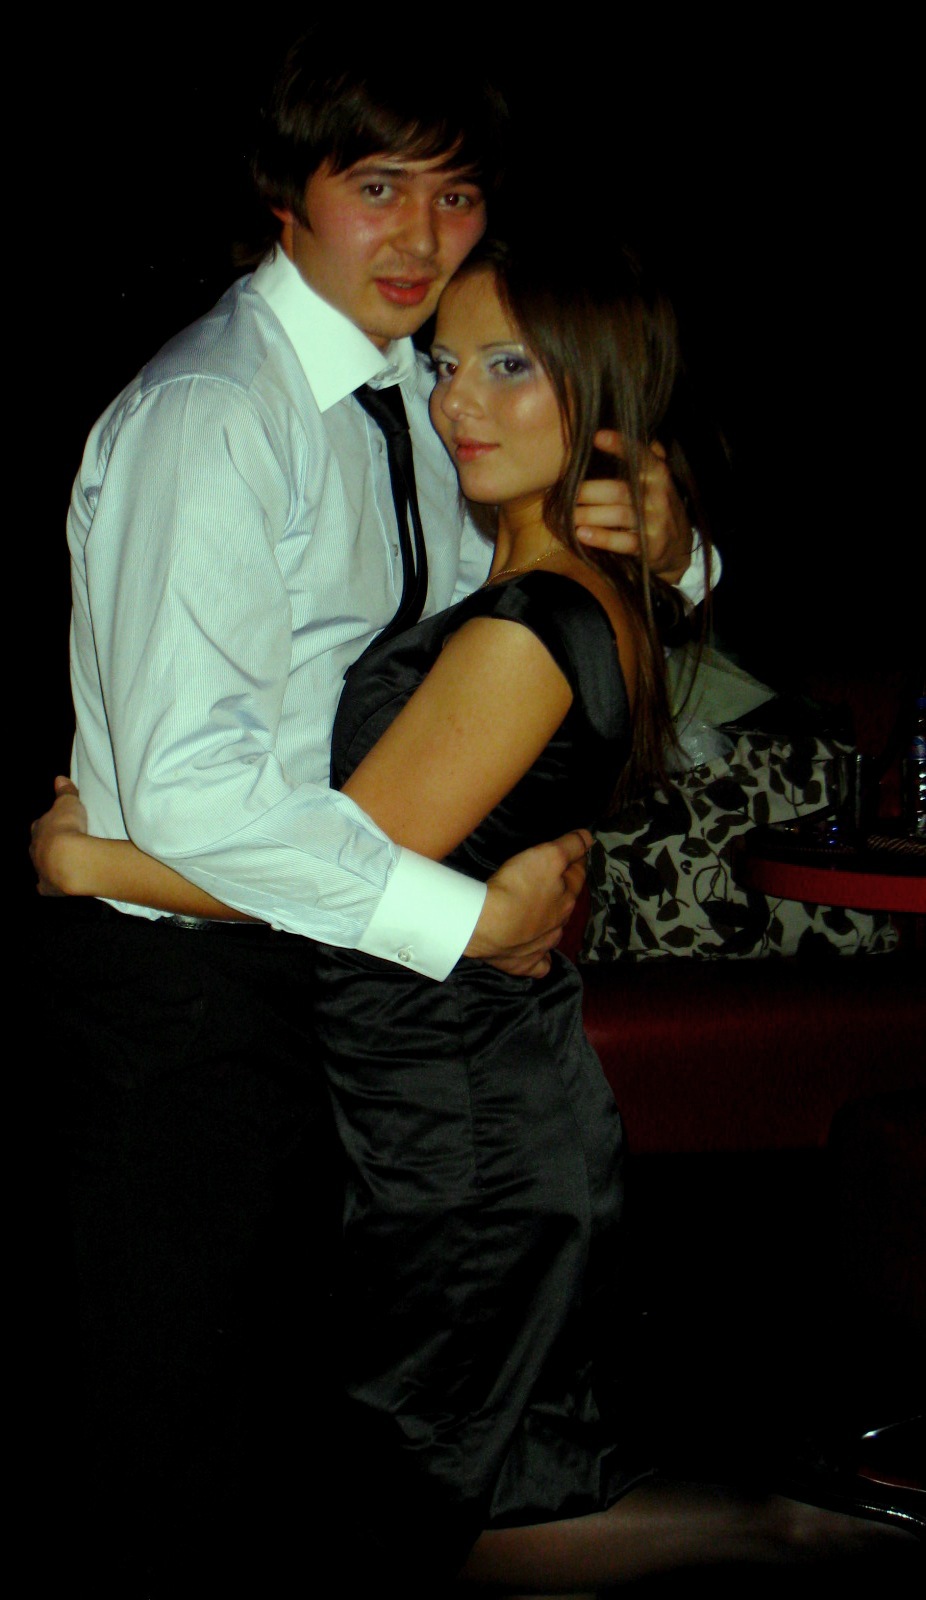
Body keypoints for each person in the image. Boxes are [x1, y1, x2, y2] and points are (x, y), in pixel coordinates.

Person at [35, 245, 921, 1593]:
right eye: (448, 364)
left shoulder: (525, 626)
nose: (457, 401)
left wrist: (92, 863)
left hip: (460, 1134)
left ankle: (833, 1527)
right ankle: (820, 1520)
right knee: (488, 1495)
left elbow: (347, 858)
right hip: (464, 1103)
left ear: (604, 392)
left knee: (440, 1522)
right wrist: (680, 553)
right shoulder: (548, 581)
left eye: (511, 367)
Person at [35, 28, 706, 1596]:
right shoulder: (215, 414)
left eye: (454, 194)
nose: (420, 236)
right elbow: (200, 795)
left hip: (348, 1008)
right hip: (185, 1013)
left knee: (314, 1465)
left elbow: (535, 592)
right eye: (378, 186)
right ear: (286, 194)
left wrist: (677, 548)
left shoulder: (422, 388)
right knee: (174, 1455)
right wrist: (461, 919)